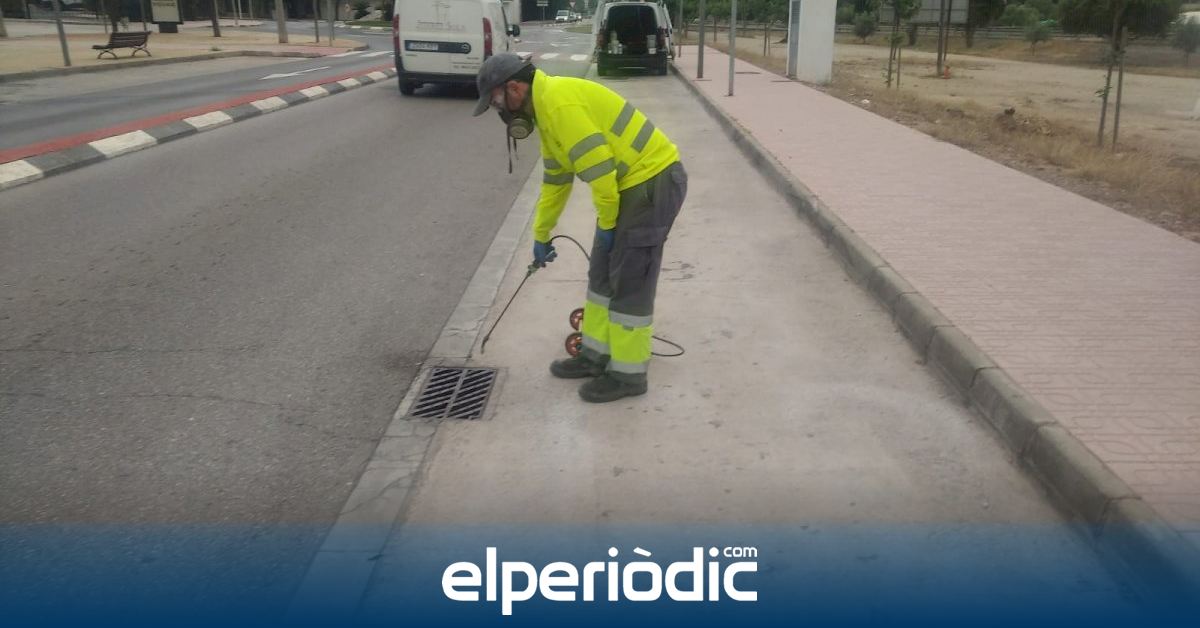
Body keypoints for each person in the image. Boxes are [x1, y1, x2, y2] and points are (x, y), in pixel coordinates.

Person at [473, 53, 687, 403]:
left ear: (514, 88)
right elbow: (556, 182)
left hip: (652, 181)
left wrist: (608, 226)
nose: (500, 111)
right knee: (601, 274)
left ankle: (628, 375)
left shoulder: (559, 105)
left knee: (629, 279)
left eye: (496, 101)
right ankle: (595, 354)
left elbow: (601, 174)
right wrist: (541, 235)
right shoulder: (546, 112)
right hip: (628, 186)